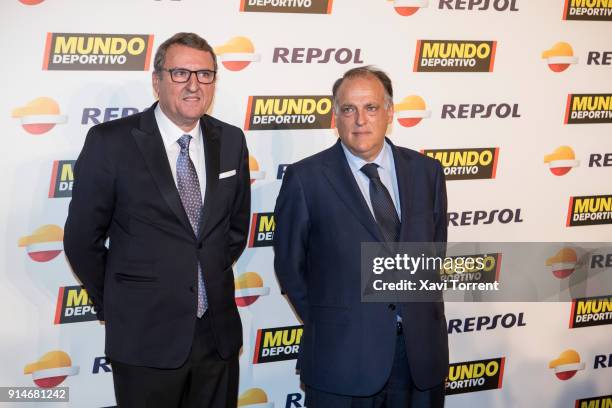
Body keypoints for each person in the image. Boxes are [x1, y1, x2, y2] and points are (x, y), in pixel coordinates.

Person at [64, 32, 250, 407]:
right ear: (157, 80)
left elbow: (234, 229)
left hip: (217, 337)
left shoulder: (231, 140)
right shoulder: (110, 142)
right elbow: (82, 240)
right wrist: (121, 301)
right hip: (143, 337)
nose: (194, 85)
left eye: (205, 74)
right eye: (181, 73)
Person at [273, 66, 448, 407]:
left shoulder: (427, 172)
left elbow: (434, 252)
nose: (360, 120)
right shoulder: (305, 179)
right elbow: (291, 267)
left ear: (390, 112)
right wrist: (336, 320)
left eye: (371, 108)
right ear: (335, 116)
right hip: (341, 359)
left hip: (419, 358)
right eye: (348, 109)